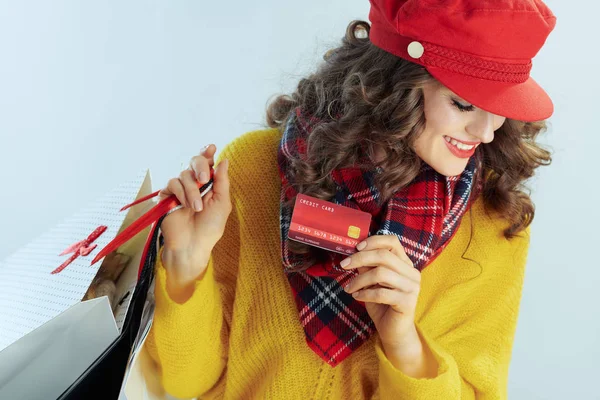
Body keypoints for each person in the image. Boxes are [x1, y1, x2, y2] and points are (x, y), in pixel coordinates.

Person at [145, 0, 557, 398]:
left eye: (500, 105)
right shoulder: (250, 172)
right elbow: (186, 384)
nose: (486, 132)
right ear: (396, 86)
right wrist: (185, 263)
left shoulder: (494, 226)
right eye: (464, 102)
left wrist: (404, 344)